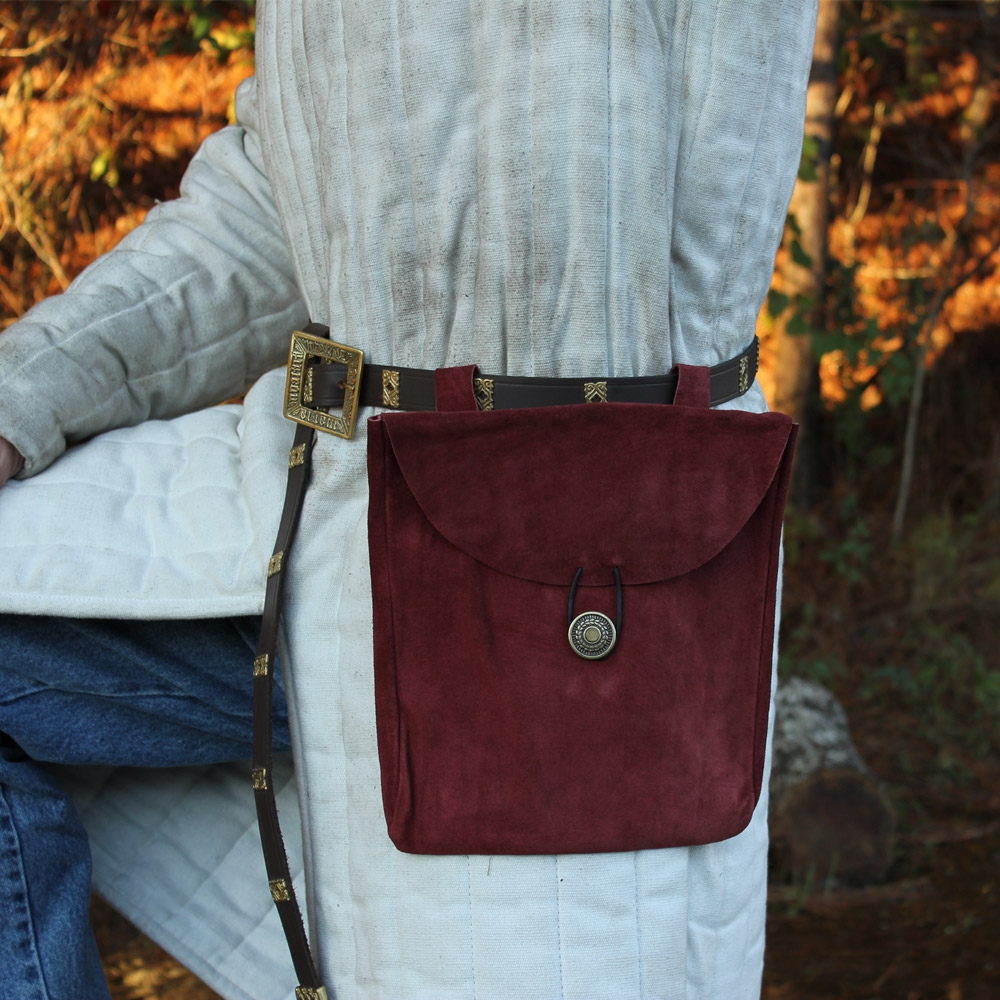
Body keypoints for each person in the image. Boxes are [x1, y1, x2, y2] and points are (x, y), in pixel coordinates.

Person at [0, 2, 818, 998]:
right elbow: (280, 200)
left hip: (601, 564)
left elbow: (590, 195)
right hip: (328, 517)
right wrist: (21, 395)